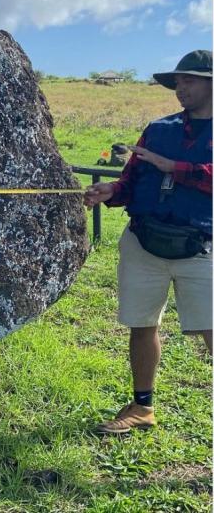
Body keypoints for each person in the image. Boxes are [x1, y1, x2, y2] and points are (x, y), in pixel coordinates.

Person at [83, 50, 212, 435]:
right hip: (144, 240)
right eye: (177, 82)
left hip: (202, 246)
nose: (179, 89)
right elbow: (131, 181)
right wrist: (110, 191)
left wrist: (176, 168)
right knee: (141, 325)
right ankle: (142, 407)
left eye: (188, 80)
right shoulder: (159, 129)